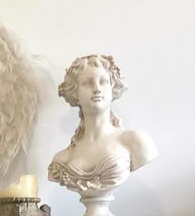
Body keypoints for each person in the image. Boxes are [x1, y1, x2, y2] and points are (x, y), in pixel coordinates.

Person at [48, 54, 157, 193]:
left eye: (103, 81)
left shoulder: (136, 142)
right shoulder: (62, 159)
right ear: (75, 92)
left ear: (113, 87)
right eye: (87, 83)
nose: (97, 89)